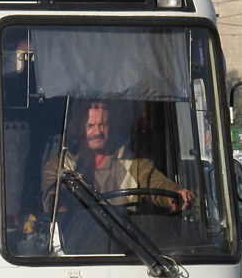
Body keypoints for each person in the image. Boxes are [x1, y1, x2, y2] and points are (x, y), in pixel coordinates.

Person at [41, 100, 195, 252]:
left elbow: (155, 182)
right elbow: (54, 201)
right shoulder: (61, 167)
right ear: (77, 128)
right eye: (90, 126)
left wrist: (175, 192)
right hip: (79, 252)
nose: (97, 132)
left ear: (111, 126)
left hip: (131, 251)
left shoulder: (133, 162)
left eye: (103, 124)